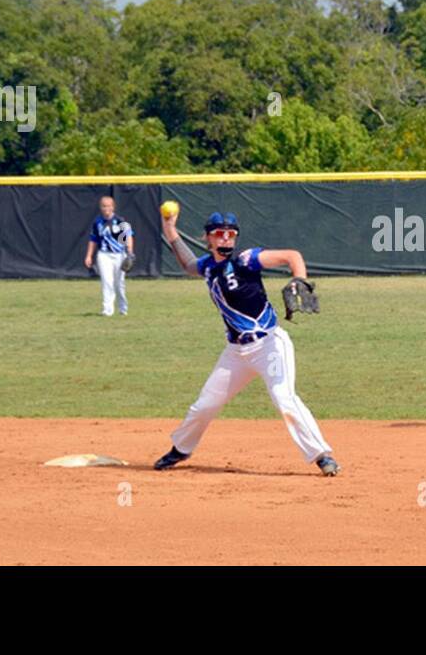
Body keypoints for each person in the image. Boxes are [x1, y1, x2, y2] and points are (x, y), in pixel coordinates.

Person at [153, 208, 341, 476]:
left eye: (231, 235)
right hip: (236, 352)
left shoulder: (245, 259)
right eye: (220, 235)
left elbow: (292, 256)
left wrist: (299, 280)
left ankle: (322, 455)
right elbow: (187, 264)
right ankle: (181, 449)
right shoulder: (208, 266)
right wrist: (170, 230)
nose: (226, 240)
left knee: (283, 399)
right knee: (205, 404)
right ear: (208, 238)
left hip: (269, 346)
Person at [84, 196, 134, 317]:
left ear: (113, 207)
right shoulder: (97, 222)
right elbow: (93, 239)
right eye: (104, 205)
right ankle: (107, 309)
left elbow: (128, 236)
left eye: (108, 205)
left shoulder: (120, 220)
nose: (106, 208)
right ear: (100, 207)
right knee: (107, 281)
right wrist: (89, 256)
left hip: (119, 254)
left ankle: (123, 308)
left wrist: (130, 252)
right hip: (104, 254)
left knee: (119, 283)